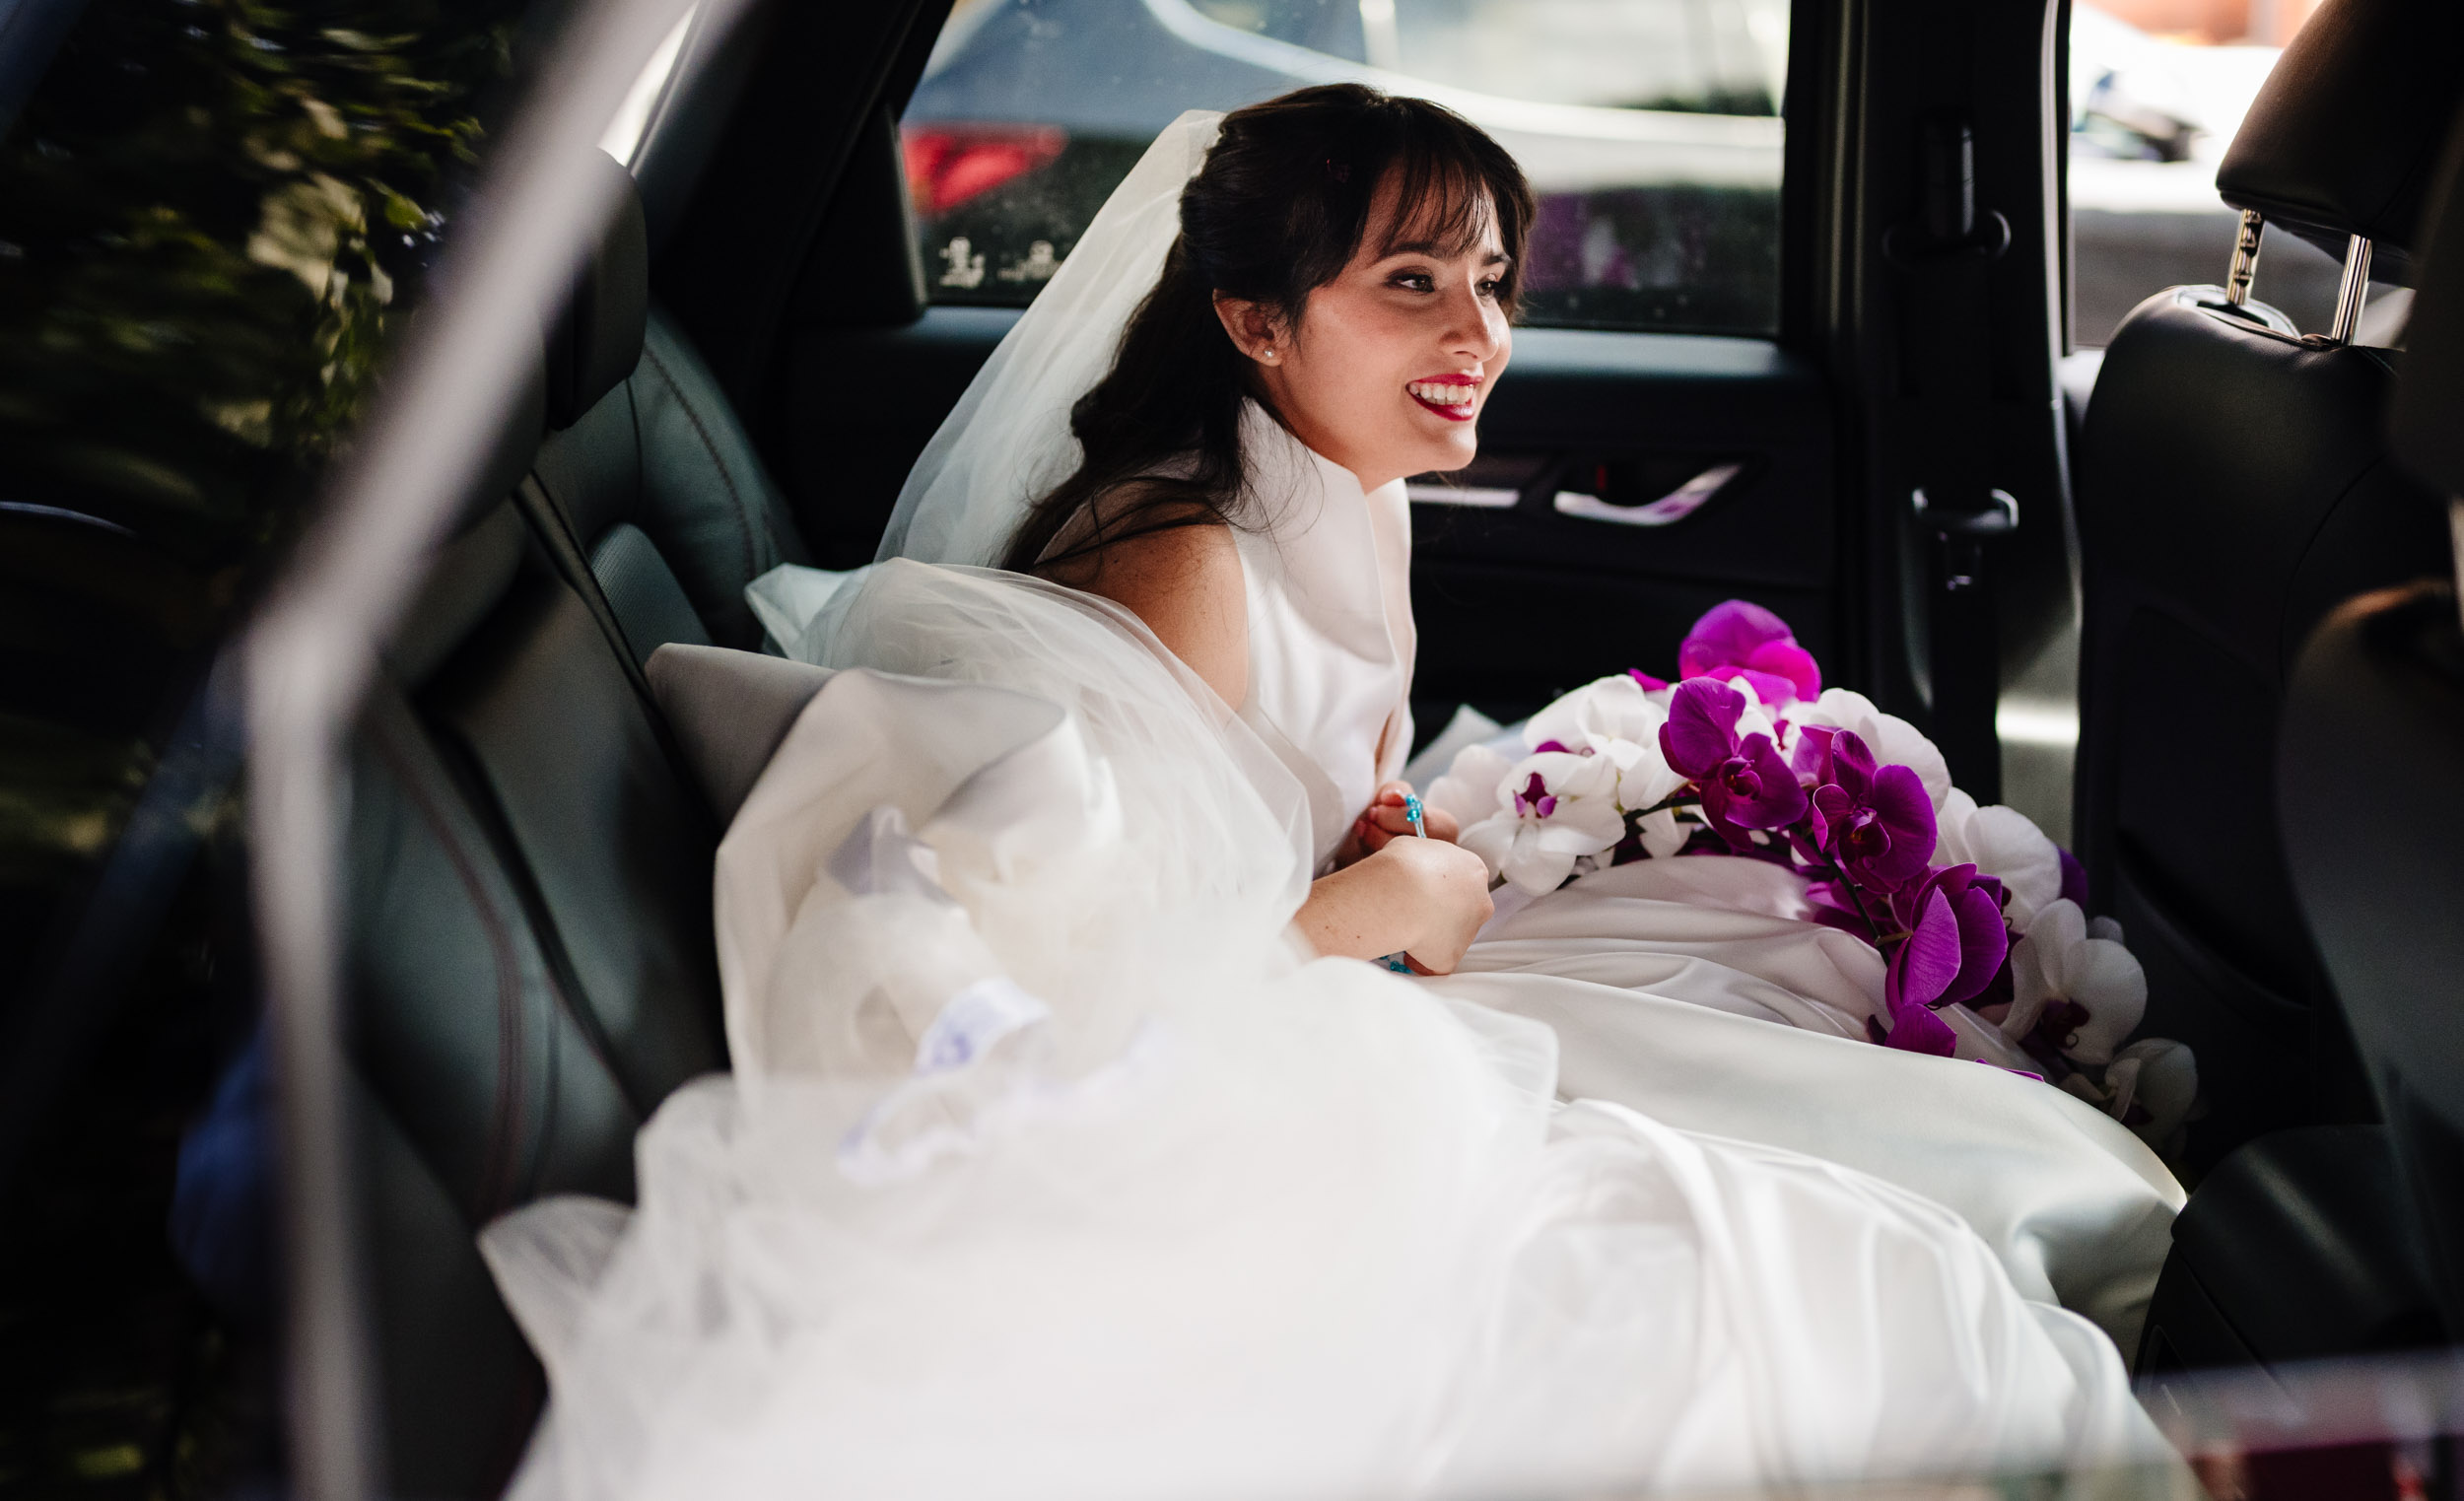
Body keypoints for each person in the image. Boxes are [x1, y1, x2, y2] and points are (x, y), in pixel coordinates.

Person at [481, 88, 2188, 1501]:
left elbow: (1268, 806)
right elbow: (1090, 1007)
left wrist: (1365, 844)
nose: (1481, 337)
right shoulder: (1186, 563)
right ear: (1255, 318)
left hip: (1313, 976)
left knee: (1839, 1130)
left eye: (1496, 284)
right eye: (1414, 287)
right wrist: (1389, 903)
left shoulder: (1343, 476)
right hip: (1176, 1081)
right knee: (1826, 1286)